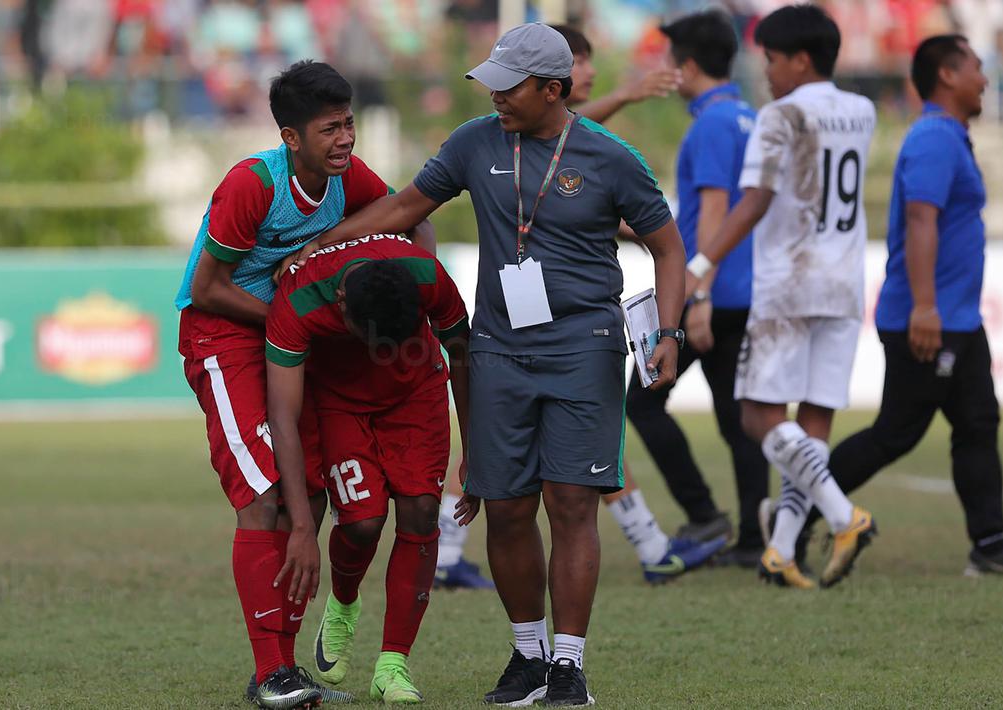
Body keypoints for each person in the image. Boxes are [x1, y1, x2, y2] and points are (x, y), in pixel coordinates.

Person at [313, 23, 686, 707]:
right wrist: (319, 250)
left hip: (584, 345)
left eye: (507, 86)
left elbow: (666, 246)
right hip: (497, 348)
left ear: (552, 88)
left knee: (570, 502)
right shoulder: (472, 141)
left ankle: (569, 667)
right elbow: (401, 207)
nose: (493, 96)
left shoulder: (610, 157)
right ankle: (527, 657)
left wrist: (669, 331)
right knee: (507, 508)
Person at [174, 61, 406, 709]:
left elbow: (406, 213)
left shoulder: (344, 179)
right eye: (329, 128)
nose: (345, 139)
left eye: (349, 123)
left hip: (287, 338)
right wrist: (298, 318)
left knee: (309, 491)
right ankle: (273, 672)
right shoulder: (253, 185)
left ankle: (281, 671)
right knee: (264, 495)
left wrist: (346, 250)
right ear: (290, 138)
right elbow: (206, 289)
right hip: (221, 338)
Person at [827, 35, 1003, 575]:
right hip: (928, 319)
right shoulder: (932, 138)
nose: (985, 78)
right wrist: (926, 309)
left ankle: (991, 548)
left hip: (958, 321)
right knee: (898, 431)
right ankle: (794, 509)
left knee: (978, 423)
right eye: (976, 67)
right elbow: (921, 220)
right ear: (947, 76)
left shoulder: (949, 136)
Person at [685, 5, 878, 590]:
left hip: (790, 279)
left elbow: (755, 200)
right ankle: (782, 550)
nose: (764, 69)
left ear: (800, 58)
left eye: (770, 58)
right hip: (844, 279)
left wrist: (701, 265)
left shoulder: (780, 115)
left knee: (759, 416)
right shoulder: (862, 110)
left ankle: (846, 517)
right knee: (813, 421)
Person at [569, 13, 771, 567]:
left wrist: (695, 296)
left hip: (710, 294)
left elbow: (709, 211)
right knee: (738, 417)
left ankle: (705, 514)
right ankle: (755, 538)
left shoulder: (709, 124)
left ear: (685, 66)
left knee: (644, 404)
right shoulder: (748, 117)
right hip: (747, 288)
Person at [267, 233, 471, 704]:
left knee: (421, 511)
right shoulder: (299, 298)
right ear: (341, 303)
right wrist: (301, 524)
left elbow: (460, 350)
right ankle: (343, 602)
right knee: (363, 524)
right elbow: (283, 414)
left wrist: (474, 445)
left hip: (416, 395)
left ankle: (392, 665)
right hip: (339, 404)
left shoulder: (425, 273)